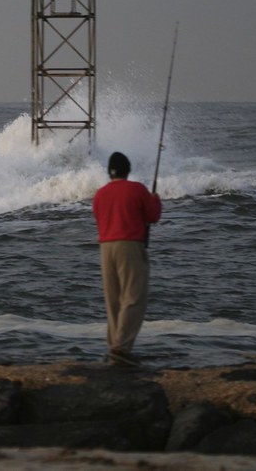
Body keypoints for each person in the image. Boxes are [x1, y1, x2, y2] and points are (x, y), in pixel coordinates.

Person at [91, 151, 161, 367]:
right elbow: (153, 216)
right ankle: (121, 348)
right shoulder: (137, 189)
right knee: (133, 297)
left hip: (105, 247)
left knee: (113, 299)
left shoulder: (100, 194)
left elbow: (98, 216)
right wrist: (156, 199)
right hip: (129, 245)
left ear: (109, 172)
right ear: (128, 170)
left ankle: (114, 345)